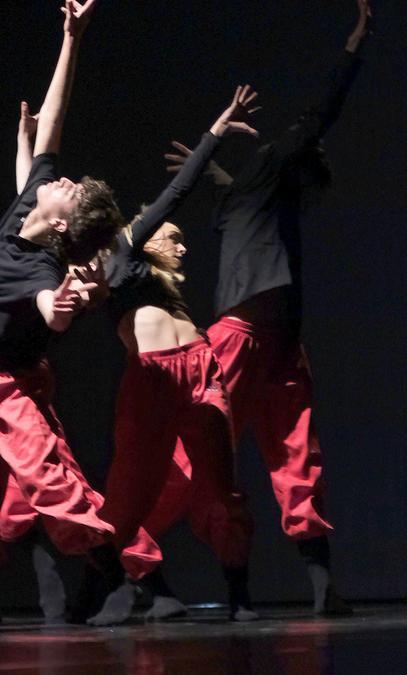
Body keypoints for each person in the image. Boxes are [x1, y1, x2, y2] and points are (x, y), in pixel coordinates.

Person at [0, 0, 163, 624]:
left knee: (51, 483)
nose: (63, 177)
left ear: (62, 220)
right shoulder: (24, 209)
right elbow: (53, 124)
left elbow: (51, 309)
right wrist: (71, 40)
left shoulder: (41, 269)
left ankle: (114, 573)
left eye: (70, 189)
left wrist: (63, 310)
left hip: (11, 384)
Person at [157, 0, 371, 616]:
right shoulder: (270, 171)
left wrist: (218, 174)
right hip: (245, 333)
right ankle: (134, 561)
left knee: (297, 460)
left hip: (277, 343)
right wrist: (354, 46)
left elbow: (240, 197)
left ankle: (319, 588)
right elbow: (319, 114)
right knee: (201, 458)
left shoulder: (259, 200)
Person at [86, 85, 263, 626]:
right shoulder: (100, 258)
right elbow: (173, 192)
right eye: (173, 239)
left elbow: (180, 191)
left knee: (221, 486)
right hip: (153, 377)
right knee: (128, 495)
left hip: (200, 364)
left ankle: (240, 599)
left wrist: (216, 129)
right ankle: (115, 588)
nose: (182, 246)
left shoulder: (145, 266)